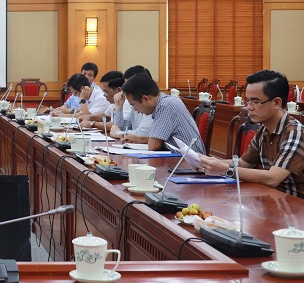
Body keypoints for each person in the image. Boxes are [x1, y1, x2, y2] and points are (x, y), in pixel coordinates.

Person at [200, 70, 304, 198]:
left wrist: (225, 169)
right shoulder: (264, 129)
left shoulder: (295, 132)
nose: (248, 107)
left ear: (277, 103)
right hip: (271, 199)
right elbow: (243, 163)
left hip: (295, 204)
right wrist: (207, 162)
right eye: (247, 101)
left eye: (254, 102)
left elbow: (273, 178)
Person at [121, 73, 205, 154]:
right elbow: (156, 140)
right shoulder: (164, 102)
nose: (135, 110)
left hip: (189, 160)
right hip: (180, 157)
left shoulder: (166, 106)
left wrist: (142, 140)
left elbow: (153, 145)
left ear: (145, 99)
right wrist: (137, 139)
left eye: (133, 105)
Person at [112, 65, 154, 138]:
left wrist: (118, 133)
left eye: (129, 85)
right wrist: (119, 107)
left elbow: (141, 134)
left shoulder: (151, 104)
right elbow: (122, 128)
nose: (126, 89)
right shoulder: (135, 102)